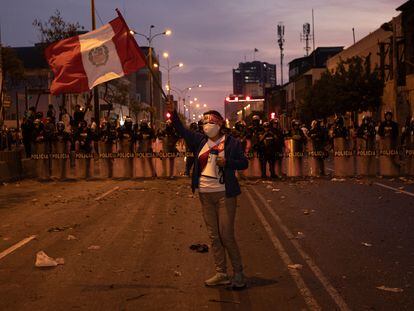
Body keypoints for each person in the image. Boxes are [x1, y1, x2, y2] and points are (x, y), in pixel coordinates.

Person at [167, 101, 248, 289]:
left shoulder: (231, 143)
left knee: (226, 235)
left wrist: (228, 162)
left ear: (219, 124)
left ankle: (238, 274)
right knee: (214, 236)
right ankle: (221, 273)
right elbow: (182, 130)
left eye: (210, 123)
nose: (206, 127)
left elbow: (243, 164)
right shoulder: (199, 141)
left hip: (225, 195)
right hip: (205, 195)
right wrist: (173, 114)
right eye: (204, 123)